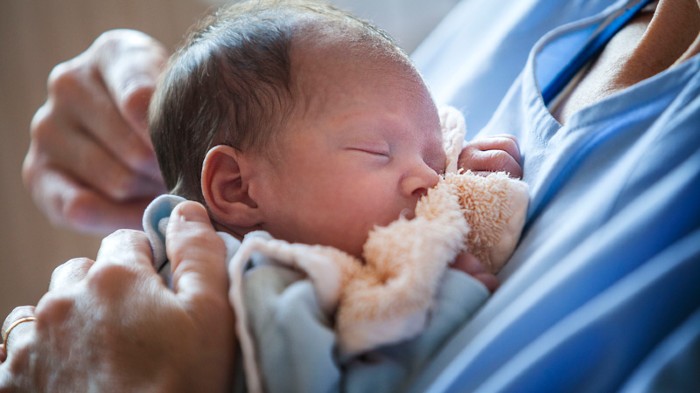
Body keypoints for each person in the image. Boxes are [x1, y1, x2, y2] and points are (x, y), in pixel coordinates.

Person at [5, 0, 700, 391]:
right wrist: (453, 289)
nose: (430, 180)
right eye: (380, 152)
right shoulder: (266, 287)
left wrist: (461, 185)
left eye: (438, 153)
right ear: (237, 186)